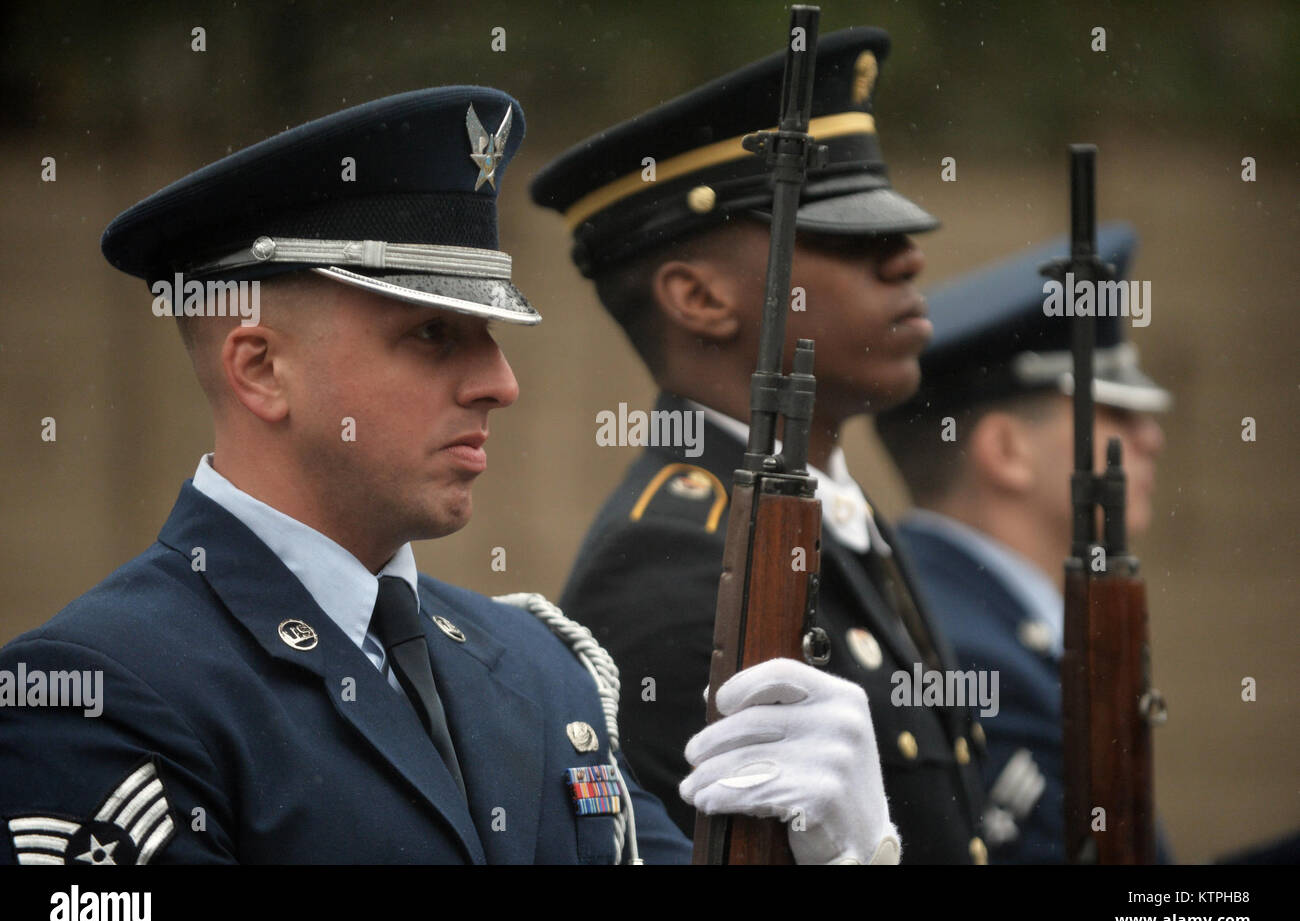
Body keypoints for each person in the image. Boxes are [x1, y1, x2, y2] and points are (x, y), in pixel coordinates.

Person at [0, 87, 900, 866]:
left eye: (493, 338)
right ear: (261, 369)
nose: (500, 384)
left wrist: (848, 851)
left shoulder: (540, 670)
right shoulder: (102, 692)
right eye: (433, 335)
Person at [531, 28, 988, 864]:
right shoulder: (673, 566)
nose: (909, 259)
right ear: (697, 297)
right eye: (853, 239)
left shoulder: (835, 512)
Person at [875, 224, 1171, 863]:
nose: (1151, 439)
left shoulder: (953, 615)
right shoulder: (981, 662)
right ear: (1007, 451)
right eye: (1116, 412)